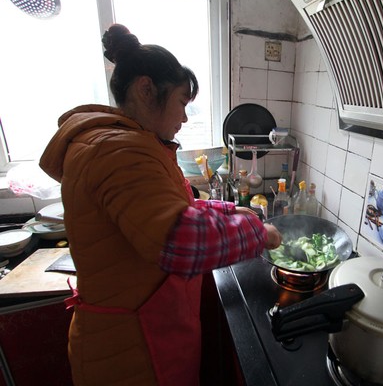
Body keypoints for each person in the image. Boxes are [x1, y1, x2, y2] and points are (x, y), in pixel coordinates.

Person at [39, 24, 282, 386]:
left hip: (144, 333)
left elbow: (174, 208)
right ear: (146, 89)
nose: (184, 118)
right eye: (182, 103)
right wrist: (259, 234)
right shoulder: (118, 151)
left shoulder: (130, 144)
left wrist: (233, 212)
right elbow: (178, 240)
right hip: (131, 351)